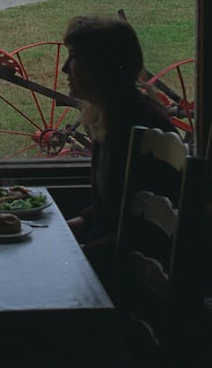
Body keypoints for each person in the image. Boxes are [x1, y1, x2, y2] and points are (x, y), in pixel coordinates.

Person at [61, 15, 174, 294]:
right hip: (113, 258)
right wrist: (81, 222)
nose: (64, 68)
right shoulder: (110, 115)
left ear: (101, 66)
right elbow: (117, 207)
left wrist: (79, 253)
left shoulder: (138, 127)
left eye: (74, 57)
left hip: (130, 278)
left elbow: (145, 235)